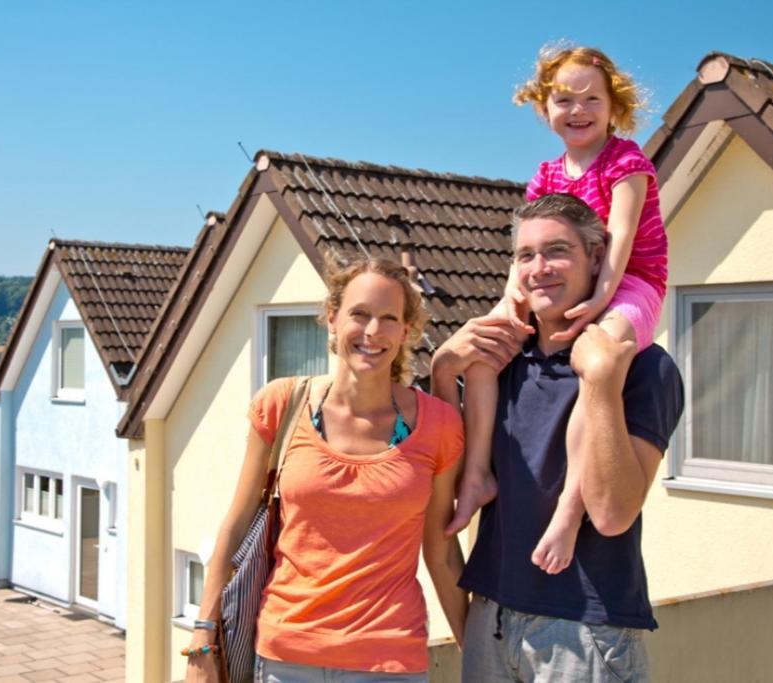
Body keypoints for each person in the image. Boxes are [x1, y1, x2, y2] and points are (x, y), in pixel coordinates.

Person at [433, 193, 683, 681]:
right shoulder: (501, 363)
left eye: (557, 251)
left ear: (596, 258)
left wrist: (601, 381)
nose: (539, 268)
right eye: (526, 255)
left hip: (587, 631)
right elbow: (453, 476)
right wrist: (444, 371)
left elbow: (613, 514)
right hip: (491, 617)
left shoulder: (646, 367)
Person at [185, 257, 468, 681]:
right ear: (332, 319)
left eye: (388, 318)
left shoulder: (439, 425)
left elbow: (442, 553)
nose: (372, 331)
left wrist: (478, 652)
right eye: (359, 314)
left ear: (406, 332)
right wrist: (203, 639)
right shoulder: (282, 405)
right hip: (286, 657)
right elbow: (236, 524)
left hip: (389, 659)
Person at [449, 45, 669, 579]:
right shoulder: (547, 174)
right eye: (564, 99)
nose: (578, 110)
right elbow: (527, 248)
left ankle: (570, 508)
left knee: (594, 369)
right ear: (544, 106)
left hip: (630, 282)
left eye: (591, 99)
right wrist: (510, 304)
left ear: (612, 106)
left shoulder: (627, 162)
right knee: (484, 354)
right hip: (583, 283)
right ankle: (477, 473)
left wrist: (599, 303)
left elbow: (617, 244)